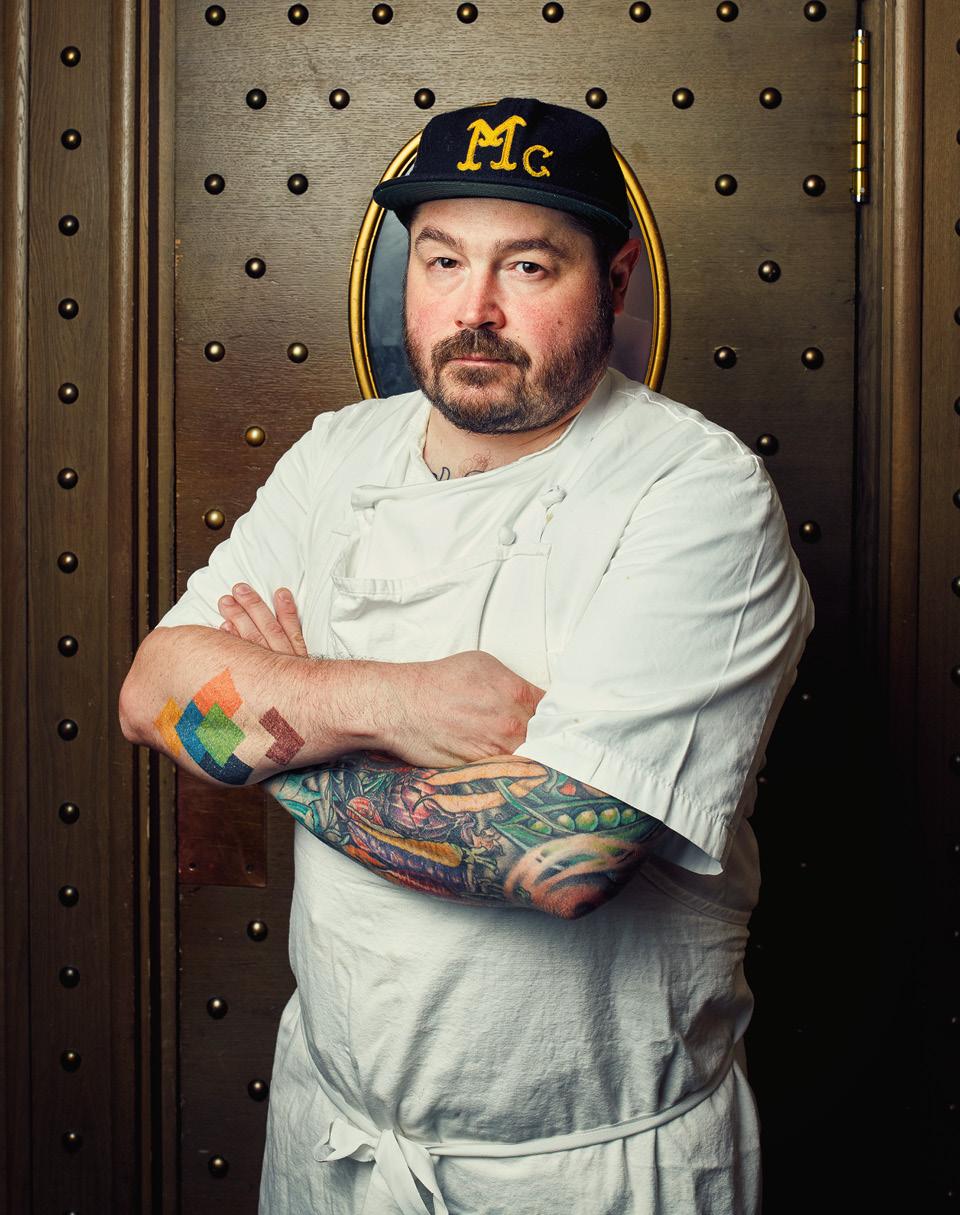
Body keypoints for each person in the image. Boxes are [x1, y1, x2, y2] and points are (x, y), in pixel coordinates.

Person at [120, 96, 814, 1214]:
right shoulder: (337, 455)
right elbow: (154, 692)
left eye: (527, 267)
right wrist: (395, 704)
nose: (474, 309)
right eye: (442, 259)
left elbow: (564, 852)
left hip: (588, 1167)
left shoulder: (696, 492)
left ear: (617, 280)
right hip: (333, 1142)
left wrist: (280, 739)